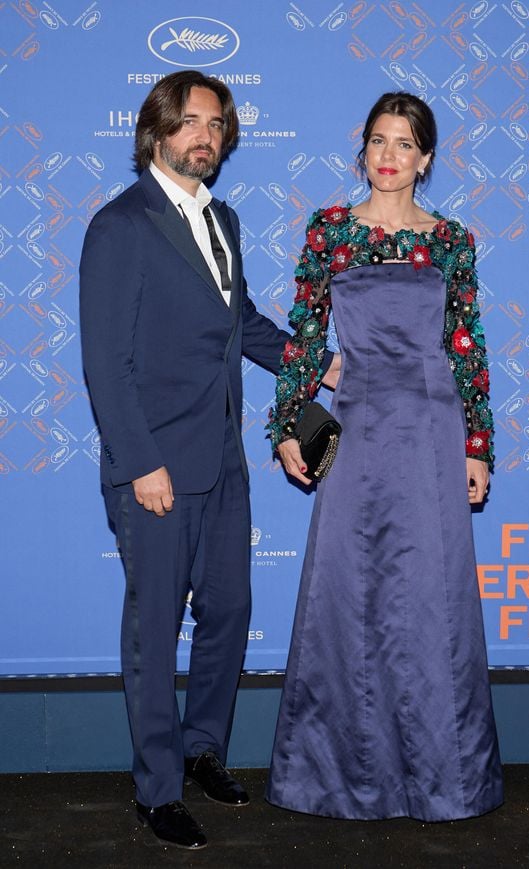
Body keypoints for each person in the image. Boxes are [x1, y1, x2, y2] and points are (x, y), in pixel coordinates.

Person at [80, 70, 338, 850]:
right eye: (192, 122)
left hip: (224, 461)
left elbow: (242, 325)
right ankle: (156, 790)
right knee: (154, 630)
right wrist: (140, 462)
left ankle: (202, 750)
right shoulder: (120, 226)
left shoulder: (221, 217)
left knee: (228, 612)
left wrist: (314, 363)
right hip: (156, 465)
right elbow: (105, 363)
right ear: (158, 130)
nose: (207, 136)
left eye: (218, 125)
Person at [266, 92, 504, 822]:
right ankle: (333, 775)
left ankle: (445, 777)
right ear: (362, 149)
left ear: (426, 158)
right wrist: (285, 425)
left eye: (405, 143)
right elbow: (306, 335)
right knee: (346, 592)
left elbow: (466, 348)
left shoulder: (452, 241)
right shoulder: (330, 231)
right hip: (359, 422)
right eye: (378, 141)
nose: (390, 155)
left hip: (433, 429)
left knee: (432, 599)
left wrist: (478, 445)